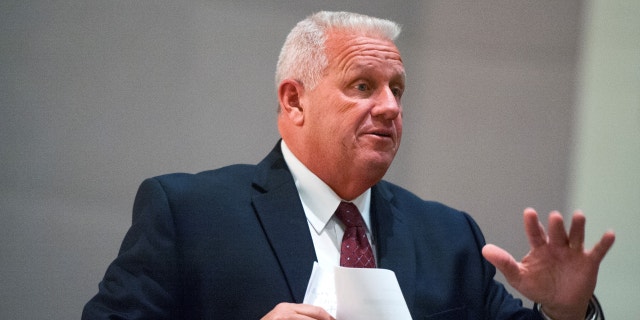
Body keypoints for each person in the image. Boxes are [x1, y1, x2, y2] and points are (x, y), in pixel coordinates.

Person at [82, 11, 615, 320]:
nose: (389, 106)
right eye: (362, 85)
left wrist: (565, 314)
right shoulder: (189, 214)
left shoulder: (449, 237)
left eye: (397, 90)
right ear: (294, 101)